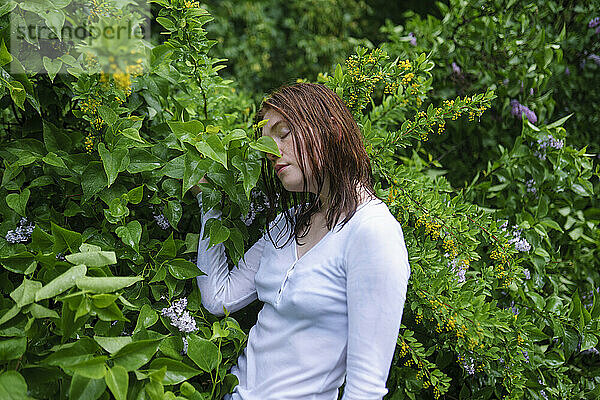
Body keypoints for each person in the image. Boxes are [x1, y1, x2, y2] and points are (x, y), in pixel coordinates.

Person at [193, 83, 411, 400]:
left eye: (284, 134)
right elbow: (218, 298)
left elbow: (365, 389)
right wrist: (208, 205)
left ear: (332, 131)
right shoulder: (286, 225)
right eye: (267, 143)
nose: (272, 152)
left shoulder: (373, 233)